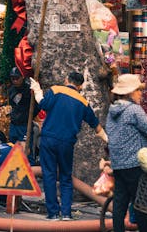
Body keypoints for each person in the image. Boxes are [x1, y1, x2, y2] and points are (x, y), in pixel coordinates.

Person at [30, 72, 108, 221]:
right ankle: (66, 213)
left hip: (48, 139)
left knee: (49, 175)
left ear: (67, 80)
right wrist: (109, 140)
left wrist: (37, 89)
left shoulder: (55, 90)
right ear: (80, 86)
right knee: (66, 177)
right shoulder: (83, 102)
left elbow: (42, 103)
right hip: (67, 143)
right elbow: (96, 127)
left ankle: (52, 213)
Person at [105, 74, 147, 232]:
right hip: (134, 163)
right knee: (140, 204)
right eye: (138, 91)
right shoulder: (133, 110)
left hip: (118, 163)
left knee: (120, 204)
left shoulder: (112, 111)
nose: (140, 94)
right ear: (131, 92)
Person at [8, 67, 39, 163]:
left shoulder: (29, 90)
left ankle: (30, 171)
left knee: (27, 151)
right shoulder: (11, 90)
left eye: (17, 78)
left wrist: (29, 116)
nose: (15, 81)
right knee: (13, 148)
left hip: (25, 124)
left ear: (22, 77)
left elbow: (37, 106)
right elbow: (13, 104)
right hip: (14, 124)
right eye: (13, 78)